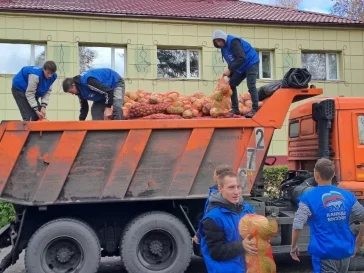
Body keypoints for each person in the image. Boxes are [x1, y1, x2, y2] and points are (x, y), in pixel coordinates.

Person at [291, 158, 364, 273]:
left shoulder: (308, 197)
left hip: (324, 254)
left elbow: (298, 225)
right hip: (345, 253)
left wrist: (293, 247)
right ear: (334, 174)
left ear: (316, 174)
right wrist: (357, 244)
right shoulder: (347, 195)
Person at [199, 171, 257, 273]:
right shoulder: (213, 218)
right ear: (220, 188)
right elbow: (216, 252)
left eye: (238, 187)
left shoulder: (248, 209)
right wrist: (241, 245)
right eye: (231, 187)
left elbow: (255, 234)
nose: (236, 192)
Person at [212, 30, 260, 118]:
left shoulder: (233, 41)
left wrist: (230, 69)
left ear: (223, 38)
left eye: (219, 41)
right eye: (216, 42)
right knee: (231, 84)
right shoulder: (223, 48)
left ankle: (255, 109)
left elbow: (241, 57)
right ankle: (235, 109)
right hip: (240, 66)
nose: (218, 44)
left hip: (251, 62)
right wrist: (229, 75)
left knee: (251, 85)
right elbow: (232, 60)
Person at [193, 164, 233, 245]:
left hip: (215, 232)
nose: (213, 176)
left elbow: (207, 216)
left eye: (214, 174)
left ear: (218, 176)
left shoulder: (215, 195)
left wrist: (198, 235)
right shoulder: (233, 194)